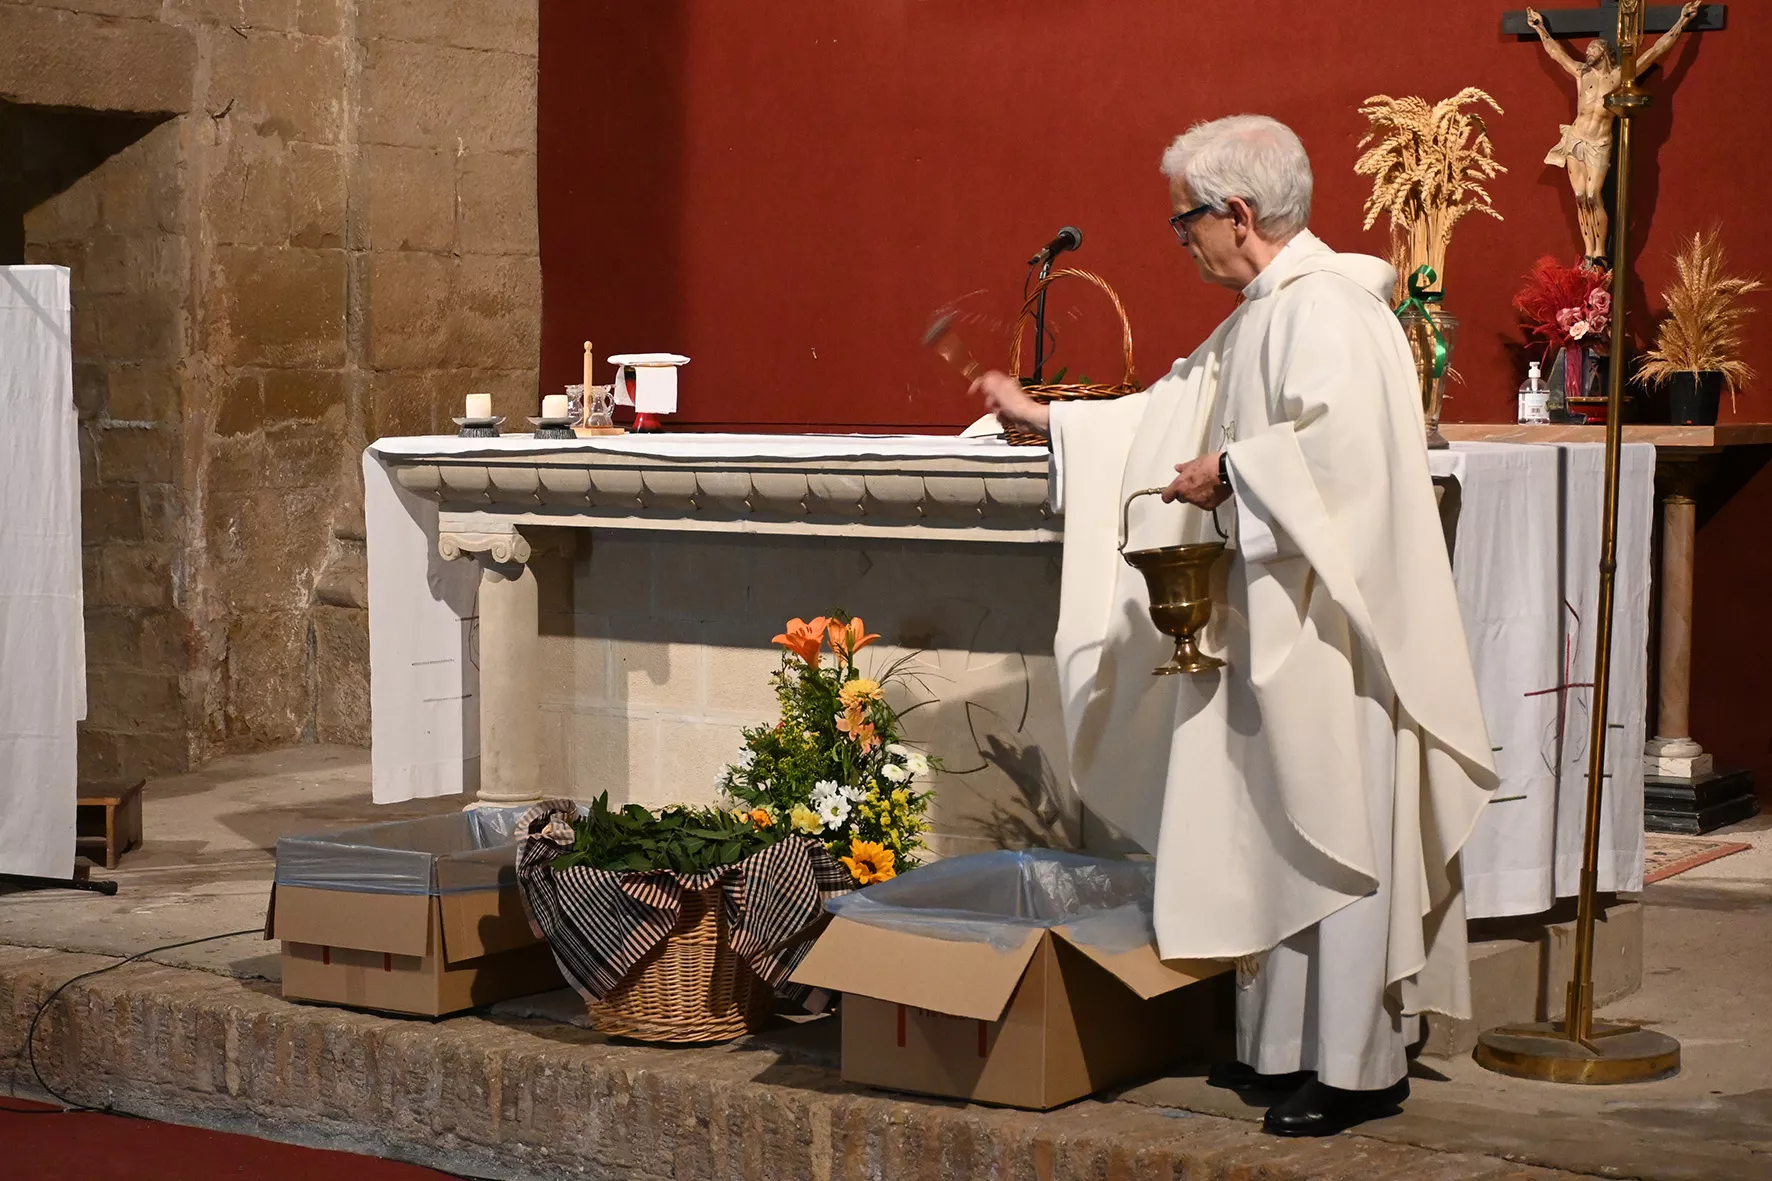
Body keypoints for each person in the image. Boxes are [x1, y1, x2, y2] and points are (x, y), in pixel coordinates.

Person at [971, 115, 1497, 1137]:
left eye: (1183, 225)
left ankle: (1354, 1065)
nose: (1184, 244)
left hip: (1332, 631)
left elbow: (1342, 458)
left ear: (1236, 213)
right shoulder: (1267, 310)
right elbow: (1180, 404)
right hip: (1273, 611)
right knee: (1282, 822)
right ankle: (1291, 1046)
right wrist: (1055, 421)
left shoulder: (1327, 311)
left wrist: (1234, 469)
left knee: (1331, 821)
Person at [1526, 1, 1703, 261]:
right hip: (1576, 138)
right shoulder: (1581, 74)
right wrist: (1540, 29)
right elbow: (1556, 53)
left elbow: (1655, 52)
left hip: (1600, 141)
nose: (1588, 52)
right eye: (1587, 49)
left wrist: (1682, 22)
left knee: (1593, 194)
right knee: (1579, 196)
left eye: (1593, 48)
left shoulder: (1620, 76)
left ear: (1605, 52)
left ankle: (1600, 252)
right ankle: (1589, 253)